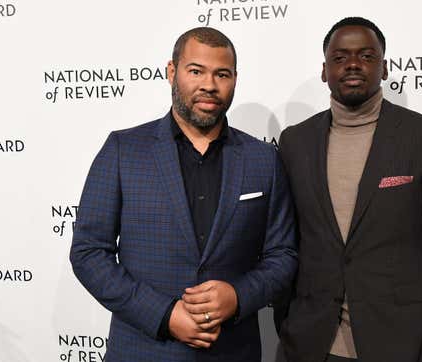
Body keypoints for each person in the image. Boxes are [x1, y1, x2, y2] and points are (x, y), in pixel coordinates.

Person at [70, 27, 297, 362]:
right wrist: (164, 315)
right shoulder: (123, 150)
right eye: (196, 71)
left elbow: (283, 255)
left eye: (222, 74)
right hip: (142, 351)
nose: (209, 85)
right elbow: (89, 253)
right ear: (171, 72)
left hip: (232, 353)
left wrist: (238, 296)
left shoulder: (263, 160)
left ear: (235, 79)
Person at [276, 17, 422, 362]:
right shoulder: (295, 141)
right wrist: (289, 327)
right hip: (310, 345)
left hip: (399, 347)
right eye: (340, 58)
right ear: (325, 71)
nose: (353, 64)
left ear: (384, 68)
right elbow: (285, 242)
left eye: (366, 56)